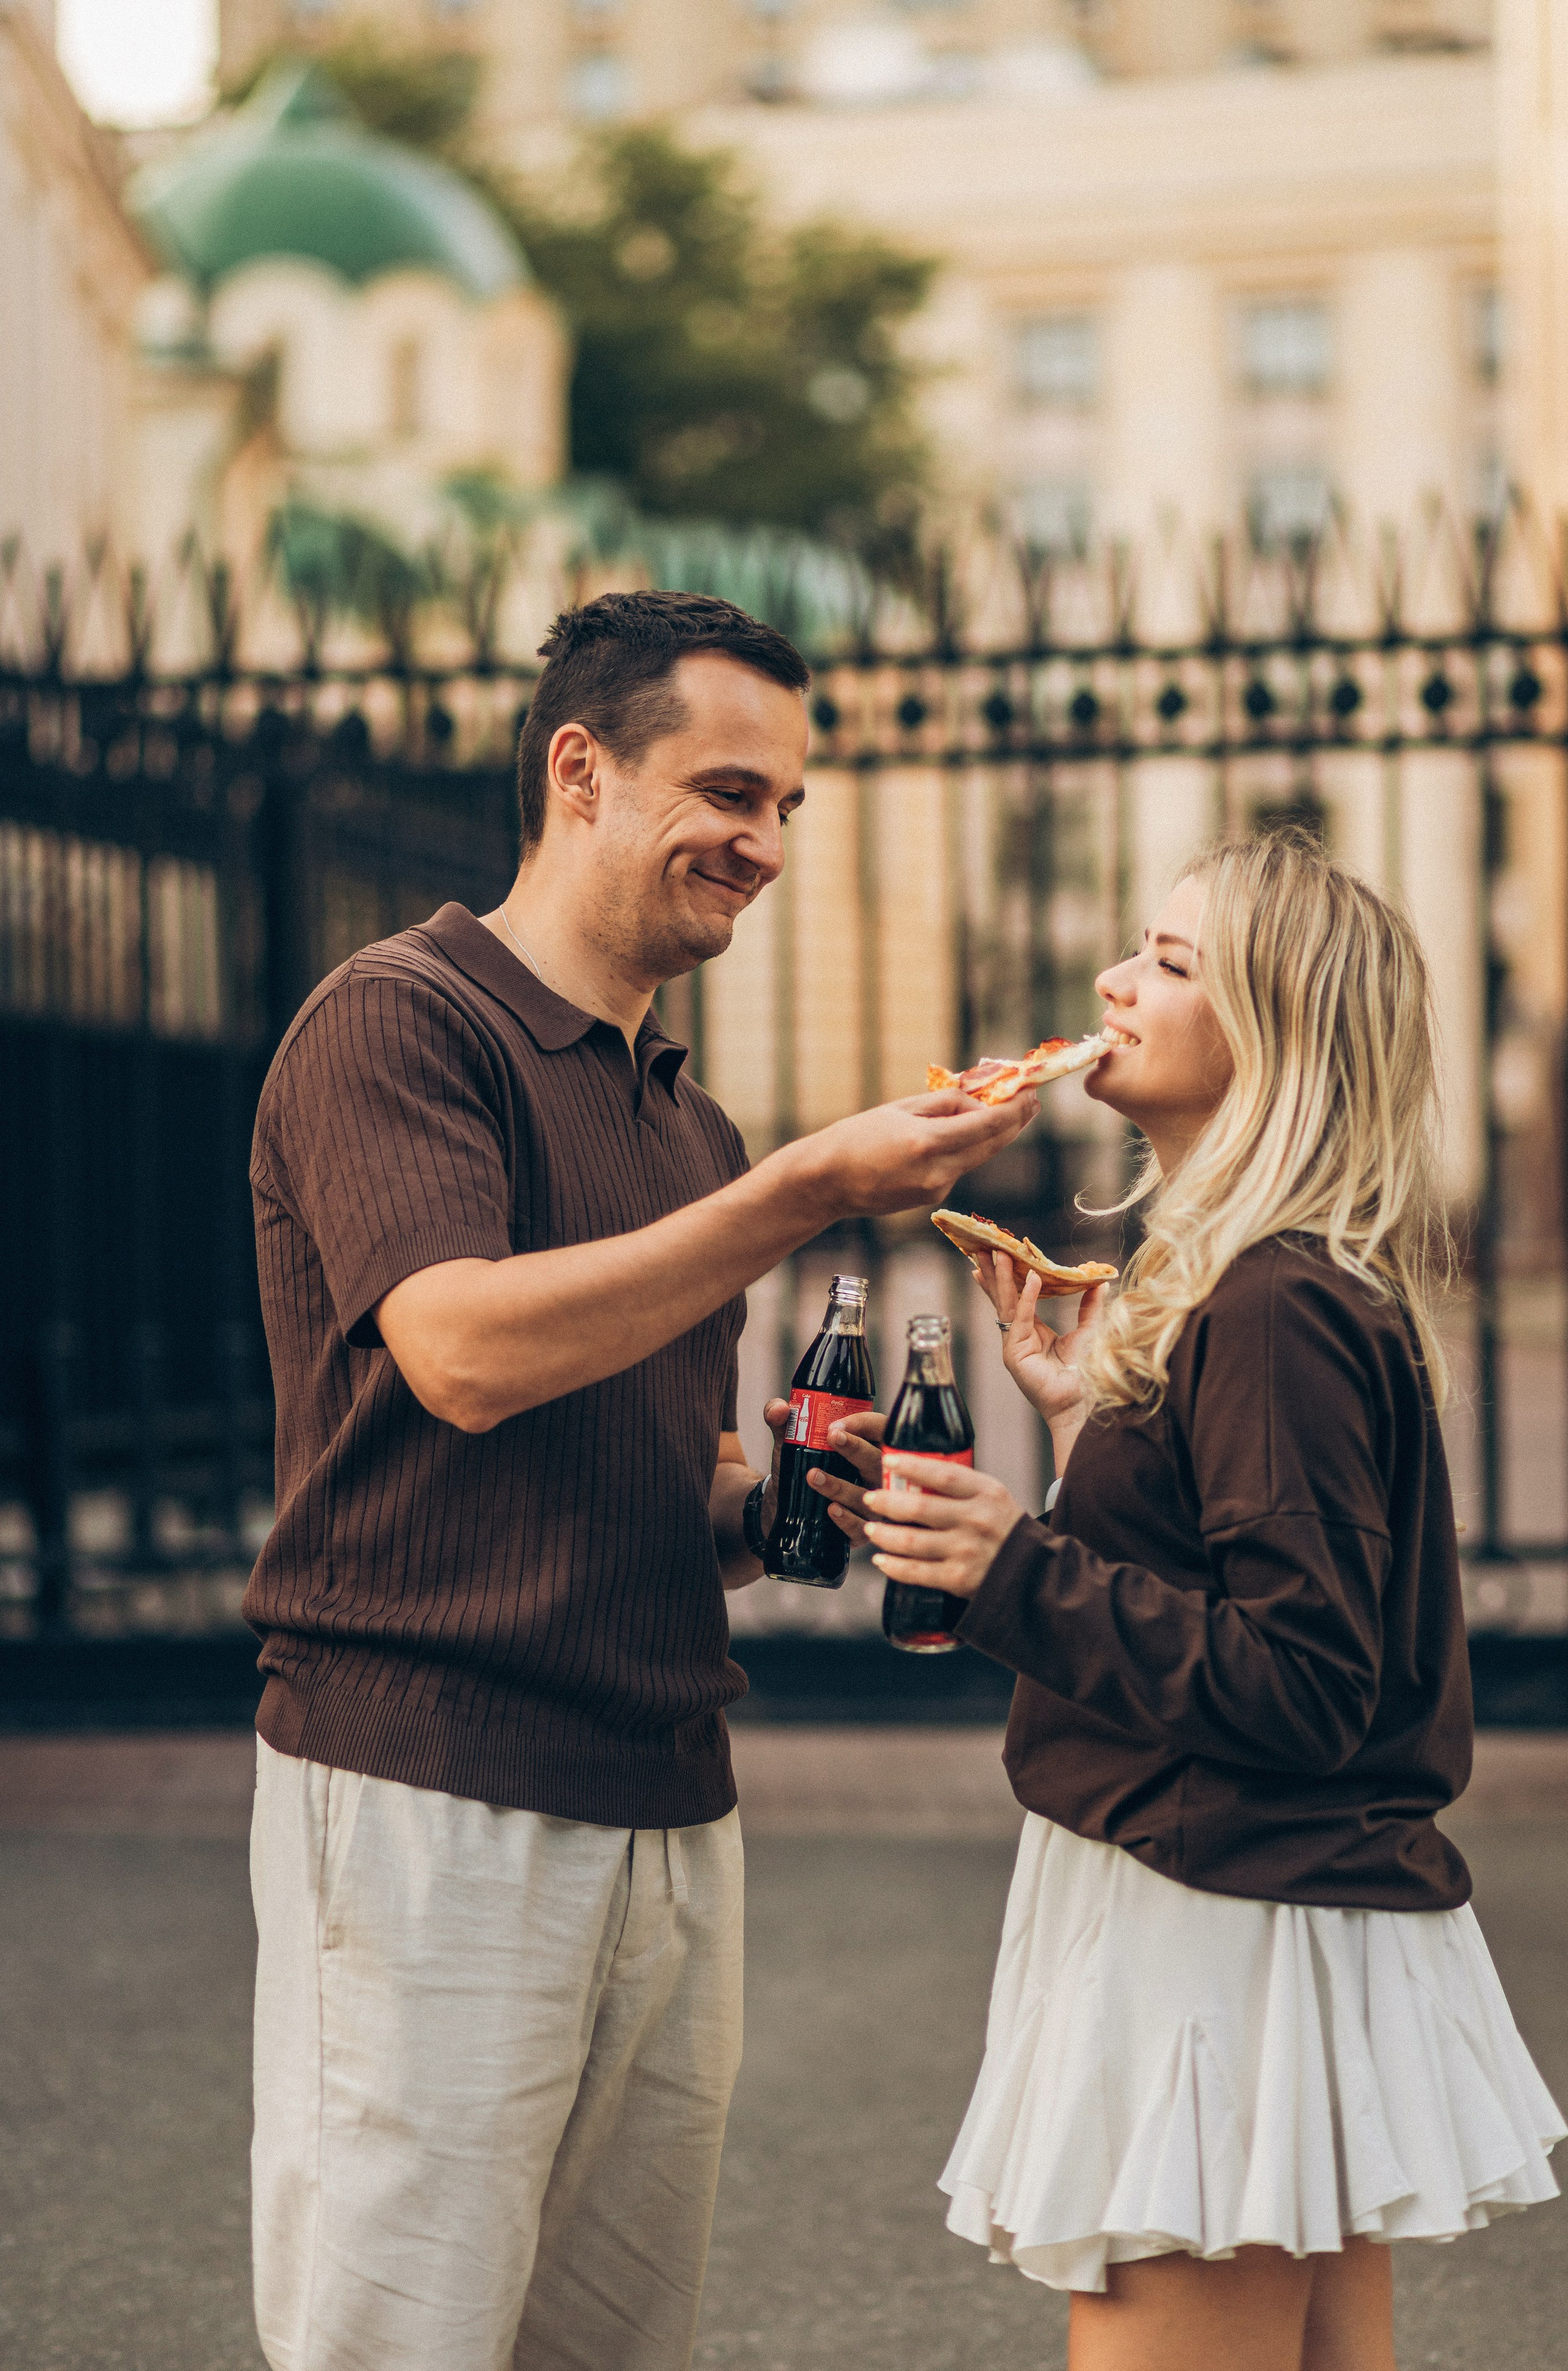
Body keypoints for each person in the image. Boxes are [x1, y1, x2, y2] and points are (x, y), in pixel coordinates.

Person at [241, 588, 1033, 2371]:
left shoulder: (684, 1118)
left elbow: (687, 1475)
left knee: (608, 2350)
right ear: (580, 770)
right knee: (402, 2339)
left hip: (670, 1801)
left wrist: (811, 1507)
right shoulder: (399, 1022)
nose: (762, 846)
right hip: (434, 1787)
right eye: (729, 794)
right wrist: (805, 1194)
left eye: (787, 811)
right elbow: (462, 1353)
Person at [810, 834, 1565, 2371]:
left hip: (1221, 1911)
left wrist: (1007, 1564)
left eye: (1168, 961)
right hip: (1260, 1898)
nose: (1111, 981)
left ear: (1275, 1034)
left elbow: (1299, 1675)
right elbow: (1244, 1579)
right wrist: (1093, 1421)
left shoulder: (1272, 1304)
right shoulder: (1268, 1286)